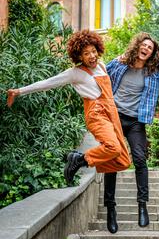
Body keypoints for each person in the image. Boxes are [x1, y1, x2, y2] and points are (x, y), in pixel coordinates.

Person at [7, 30, 131, 193]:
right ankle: (80, 159)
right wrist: (19, 91)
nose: (92, 56)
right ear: (79, 56)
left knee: (123, 161)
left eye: (94, 51)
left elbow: (122, 60)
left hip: (111, 113)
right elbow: (48, 83)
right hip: (96, 114)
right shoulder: (75, 73)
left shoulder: (101, 65)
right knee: (113, 148)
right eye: (86, 53)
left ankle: (79, 159)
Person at [103, 32, 159, 233]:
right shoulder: (121, 64)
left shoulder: (153, 72)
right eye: (144, 45)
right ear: (137, 46)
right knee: (112, 160)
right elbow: (101, 71)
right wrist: (115, 59)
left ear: (152, 54)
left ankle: (142, 205)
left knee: (140, 159)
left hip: (136, 121)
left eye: (150, 48)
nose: (146, 48)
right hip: (115, 117)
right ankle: (111, 209)